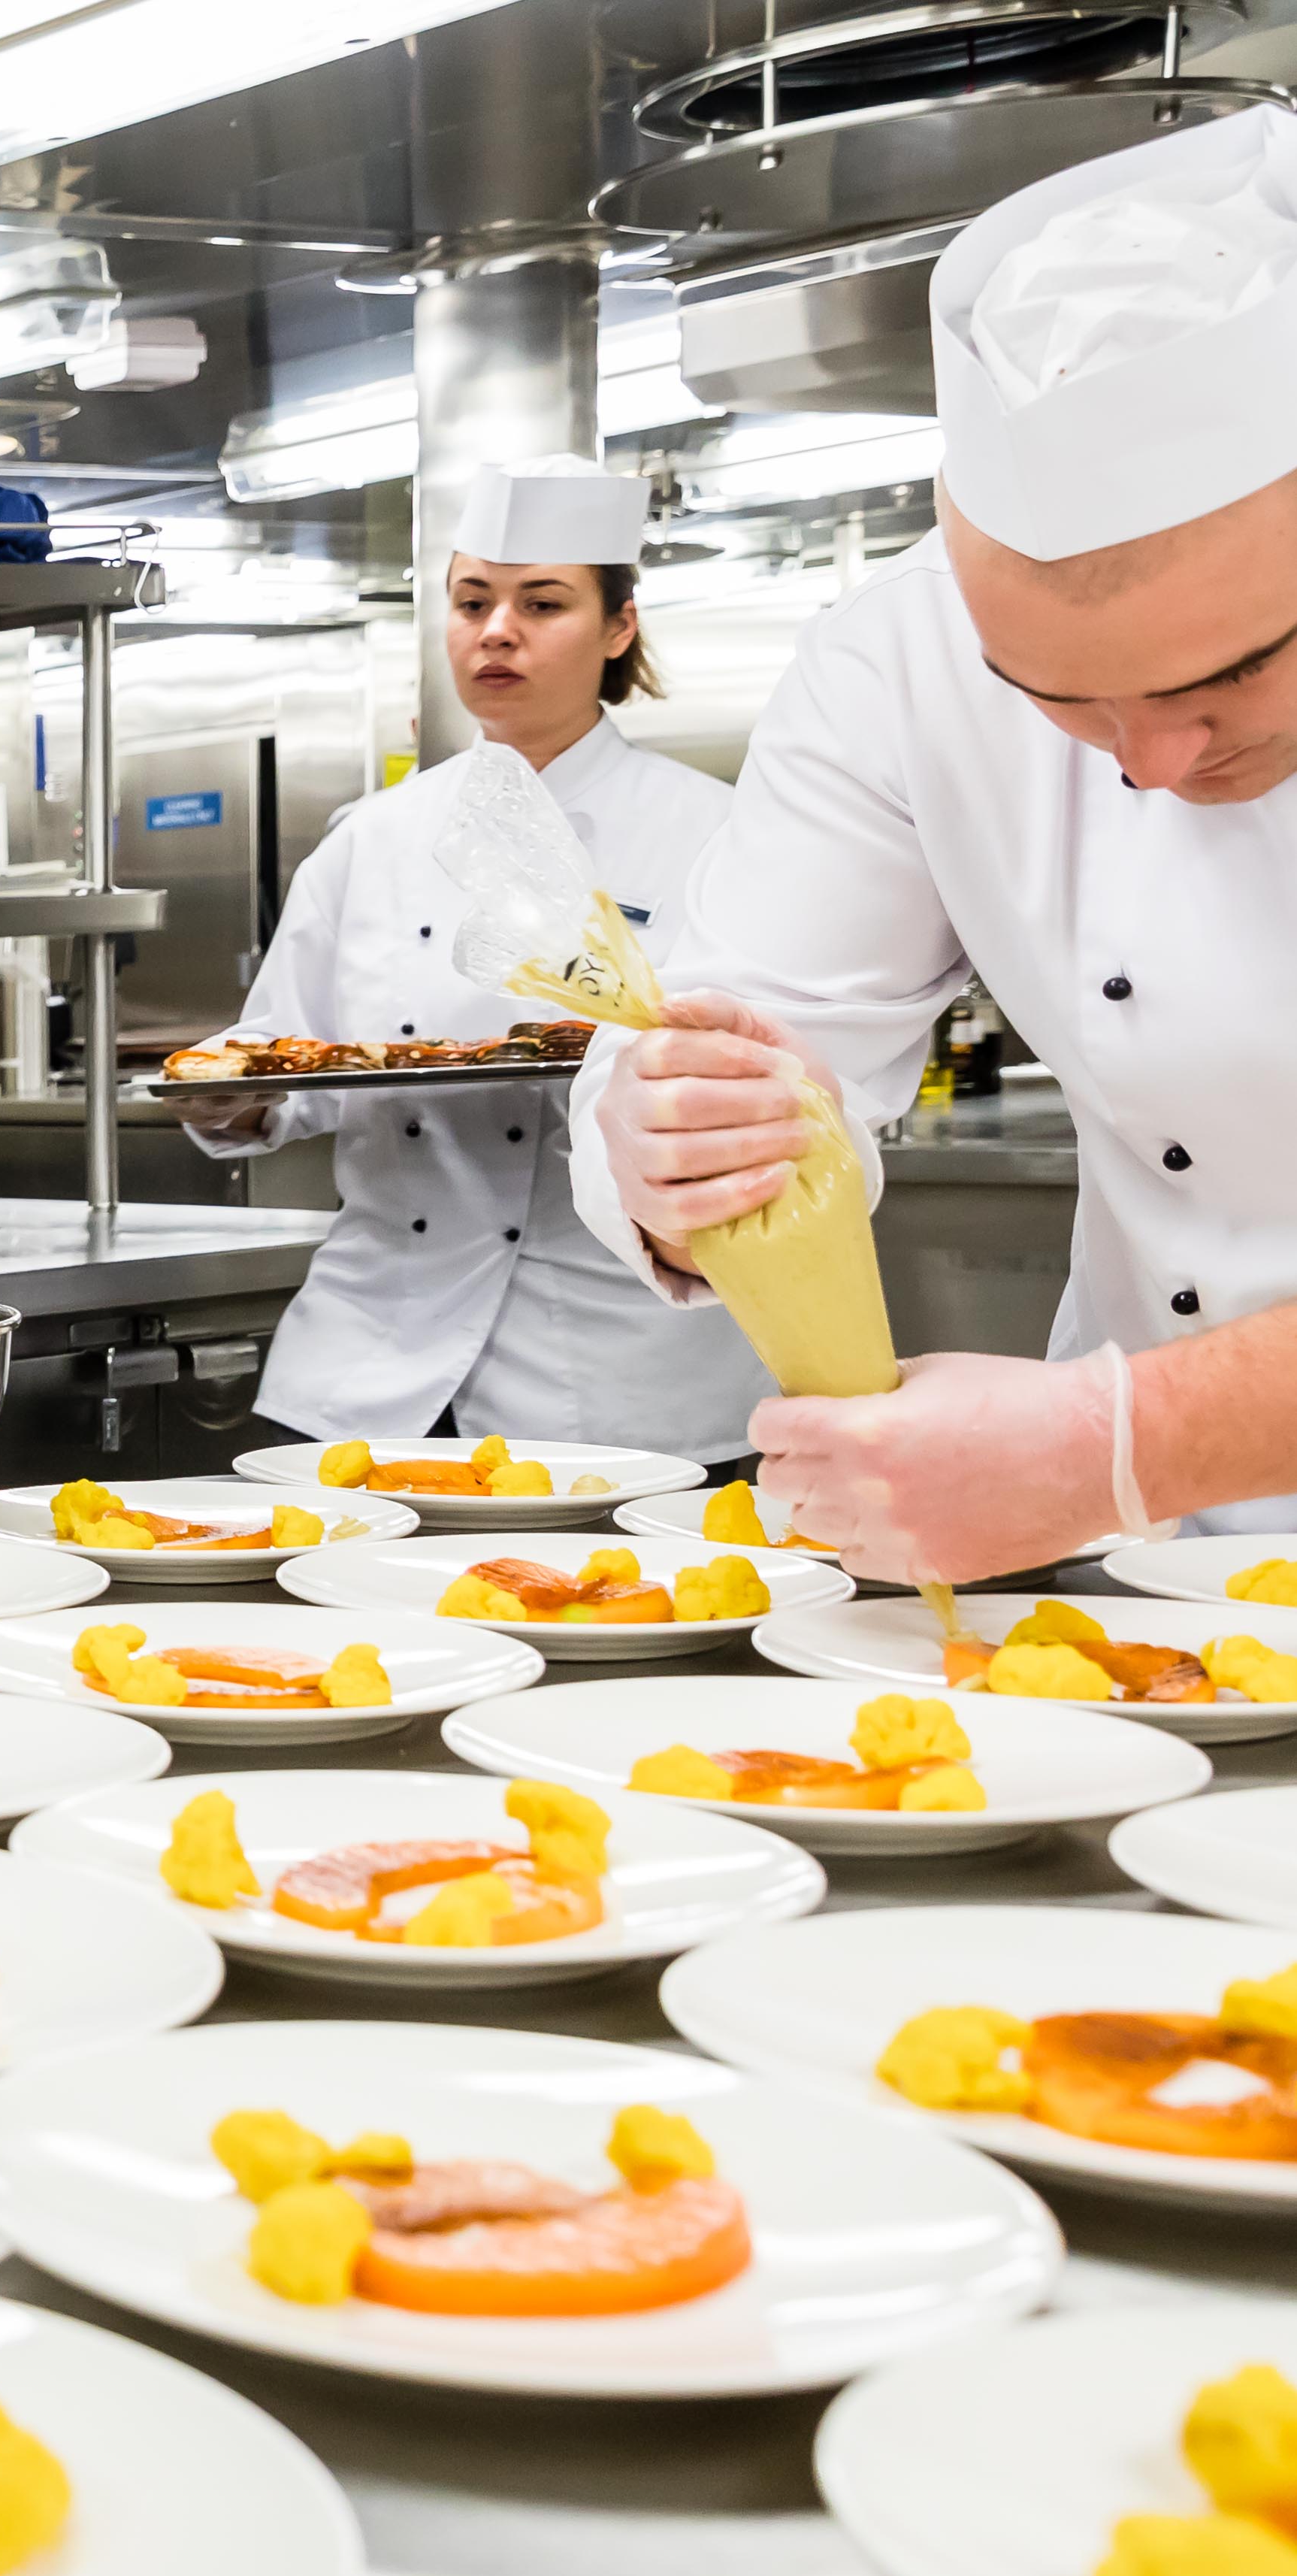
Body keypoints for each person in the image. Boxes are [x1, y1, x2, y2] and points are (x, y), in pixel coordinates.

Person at [580, 107, 1297, 1578]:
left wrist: (1128, 1438)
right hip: (1144, 1575)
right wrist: (672, 1142)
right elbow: (757, 1030)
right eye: (1061, 704)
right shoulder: (898, 655)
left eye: (1226, 677)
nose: (1153, 765)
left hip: (1112, 1478)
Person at [175, 458, 769, 1459]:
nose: (495, 631)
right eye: (469, 602)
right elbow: (289, 1060)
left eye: (540, 603)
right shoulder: (370, 838)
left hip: (624, 1371)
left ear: (618, 626)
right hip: (370, 1364)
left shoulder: (716, 833)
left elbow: (766, 1075)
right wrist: (234, 1097)